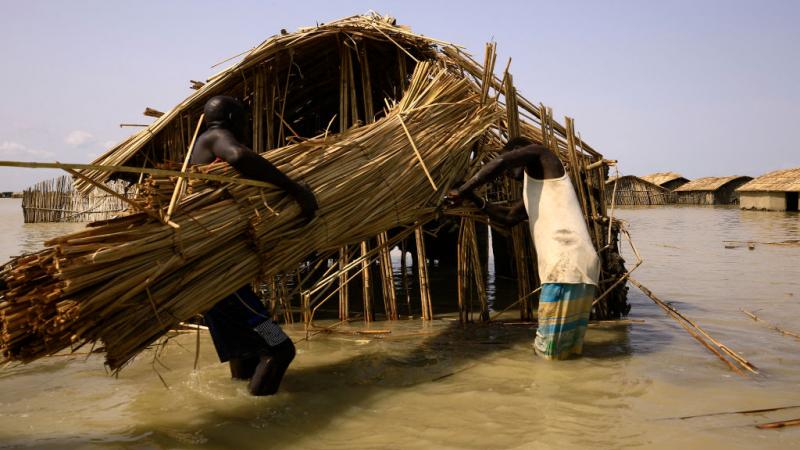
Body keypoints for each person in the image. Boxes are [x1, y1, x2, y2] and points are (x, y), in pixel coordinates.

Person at [191, 95, 318, 395]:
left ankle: (240, 410)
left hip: (214, 276)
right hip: (224, 283)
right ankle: (259, 419)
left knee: (245, 353)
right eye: (246, 120)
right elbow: (238, 156)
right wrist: (294, 190)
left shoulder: (203, 146)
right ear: (235, 119)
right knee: (280, 348)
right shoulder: (216, 137)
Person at [446, 137, 600, 360]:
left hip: (564, 265)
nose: (507, 174)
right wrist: (471, 197)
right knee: (566, 353)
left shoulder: (541, 155)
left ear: (519, 151)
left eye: (510, 158)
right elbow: (508, 217)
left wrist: (462, 189)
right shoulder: (538, 188)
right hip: (580, 265)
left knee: (547, 355)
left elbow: (501, 163)